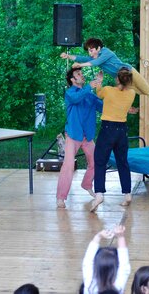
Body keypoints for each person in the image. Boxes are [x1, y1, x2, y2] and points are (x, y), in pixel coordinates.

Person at [60, 37, 149, 117]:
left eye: (91, 50)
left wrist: (79, 65)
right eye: (88, 50)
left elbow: (96, 62)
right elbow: (82, 58)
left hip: (130, 72)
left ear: (98, 48)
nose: (89, 52)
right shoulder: (94, 56)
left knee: (146, 89)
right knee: (141, 92)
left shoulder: (106, 52)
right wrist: (68, 56)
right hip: (123, 79)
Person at [56, 68, 103, 208]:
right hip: (73, 135)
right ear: (72, 79)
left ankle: (87, 184)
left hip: (87, 136)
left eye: (81, 74)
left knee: (96, 163)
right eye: (78, 74)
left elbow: (104, 107)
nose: (81, 76)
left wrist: (125, 108)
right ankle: (61, 197)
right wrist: (90, 86)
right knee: (68, 166)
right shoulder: (70, 93)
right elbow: (77, 98)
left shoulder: (89, 95)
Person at [90, 67, 135, 211]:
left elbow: (98, 93)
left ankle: (99, 194)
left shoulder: (108, 90)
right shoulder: (132, 94)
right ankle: (127, 194)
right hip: (122, 131)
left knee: (100, 161)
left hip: (108, 130)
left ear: (117, 79)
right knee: (123, 162)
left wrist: (99, 81)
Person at [82, 225, 131, 294]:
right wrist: (120, 236)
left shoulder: (90, 285)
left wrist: (98, 236)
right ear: (116, 268)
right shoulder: (118, 287)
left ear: (95, 266)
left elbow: (87, 261)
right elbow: (124, 265)